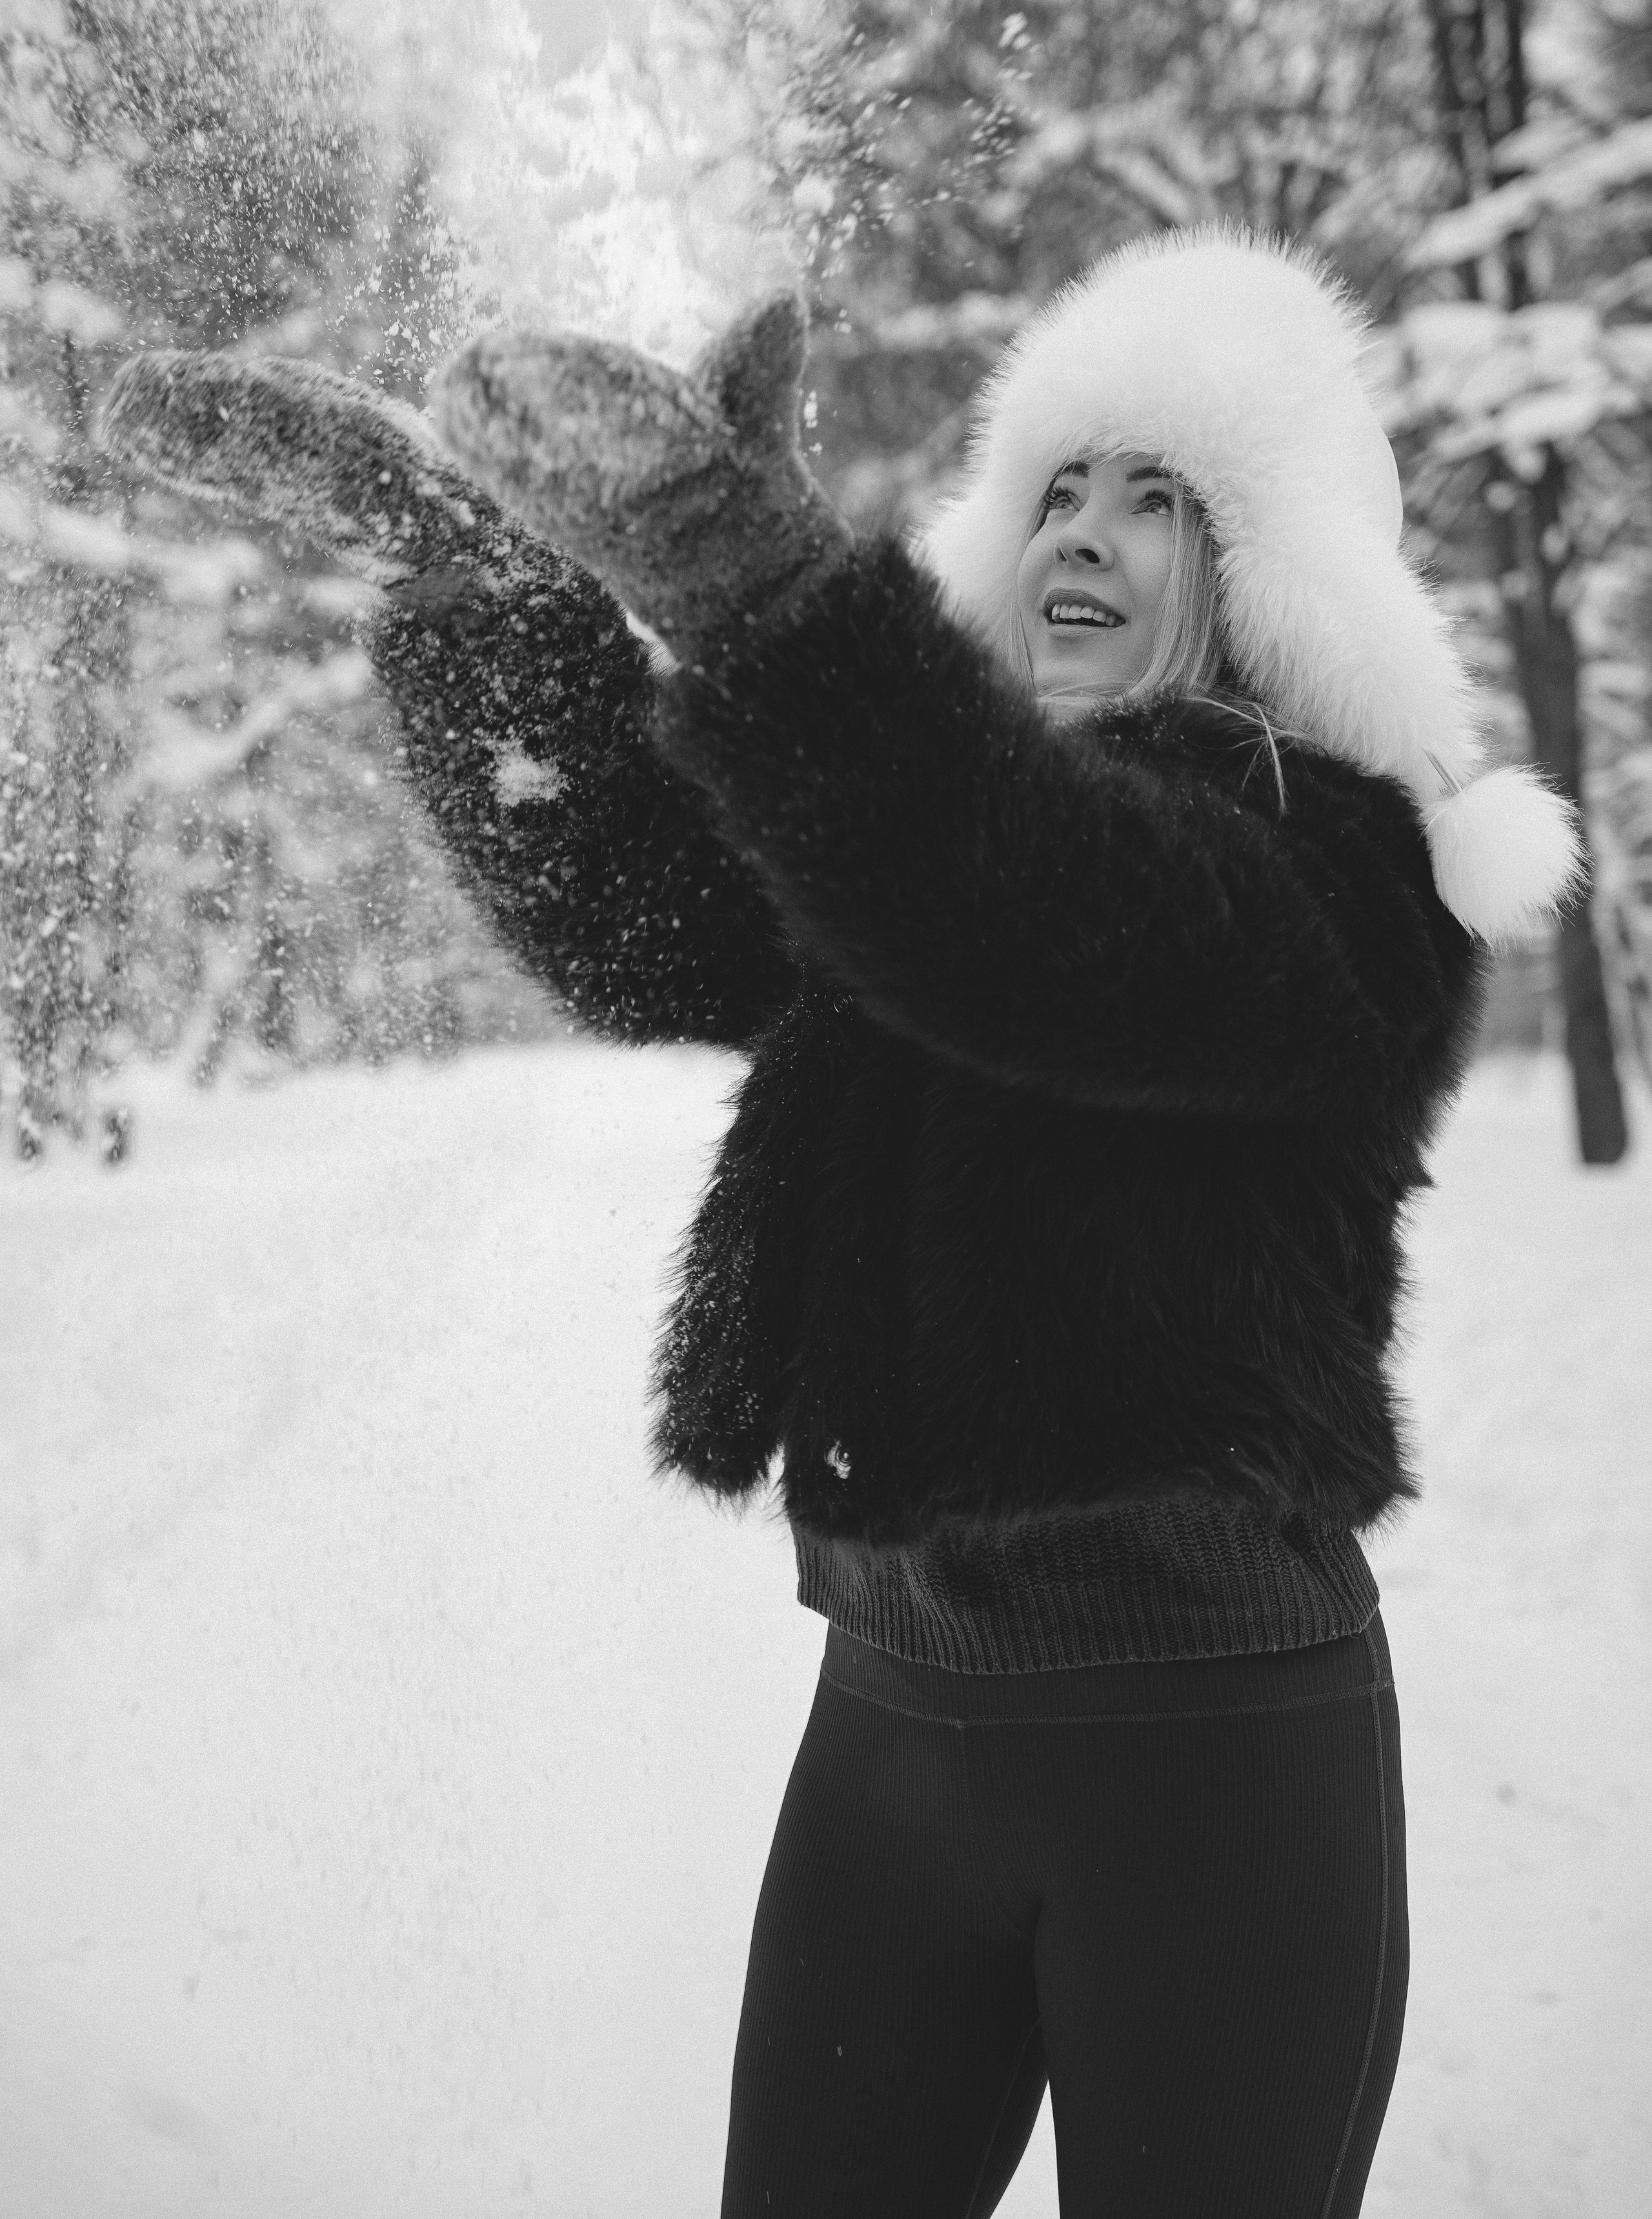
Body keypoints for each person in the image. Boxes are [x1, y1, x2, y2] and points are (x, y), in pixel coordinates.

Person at [316, 226, 1585, 2214]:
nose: (1084, 527)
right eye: (1059, 484)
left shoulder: (1341, 877)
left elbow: (1028, 913)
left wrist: (749, 582)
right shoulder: (928, 830)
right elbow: (647, 915)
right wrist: (476, 587)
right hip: (889, 1741)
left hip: (1213, 1777)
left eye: (1157, 497)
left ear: (1273, 576)